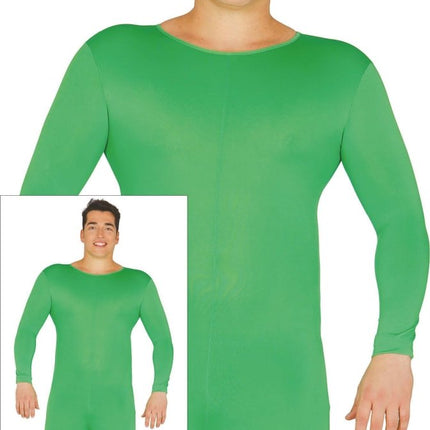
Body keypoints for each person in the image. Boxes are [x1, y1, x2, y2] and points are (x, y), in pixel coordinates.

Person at [19, 1, 429, 429]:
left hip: (283, 400)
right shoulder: (111, 60)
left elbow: (400, 221)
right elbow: (30, 209)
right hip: (149, 410)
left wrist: (394, 349)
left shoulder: (341, 73)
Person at [14, 198, 174, 430]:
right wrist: (23, 380)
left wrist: (160, 390)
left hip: (116, 410)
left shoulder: (139, 283)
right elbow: (27, 331)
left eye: (108, 228)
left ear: (117, 236)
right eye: (92, 227)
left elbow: (163, 340)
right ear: (82, 234)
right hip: (65, 408)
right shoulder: (53, 278)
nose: (100, 234)